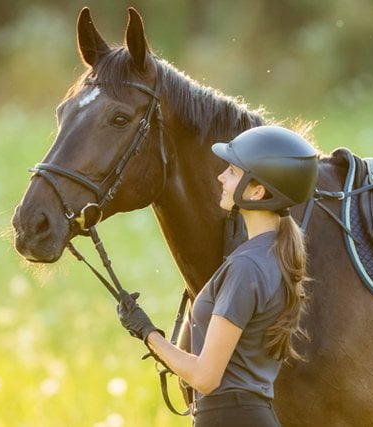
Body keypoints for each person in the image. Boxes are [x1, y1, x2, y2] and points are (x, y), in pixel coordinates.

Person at [117, 125, 319, 426]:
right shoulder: (274, 255)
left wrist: (147, 333)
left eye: (232, 172)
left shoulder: (246, 267)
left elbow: (205, 377)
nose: (221, 177)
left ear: (257, 190)